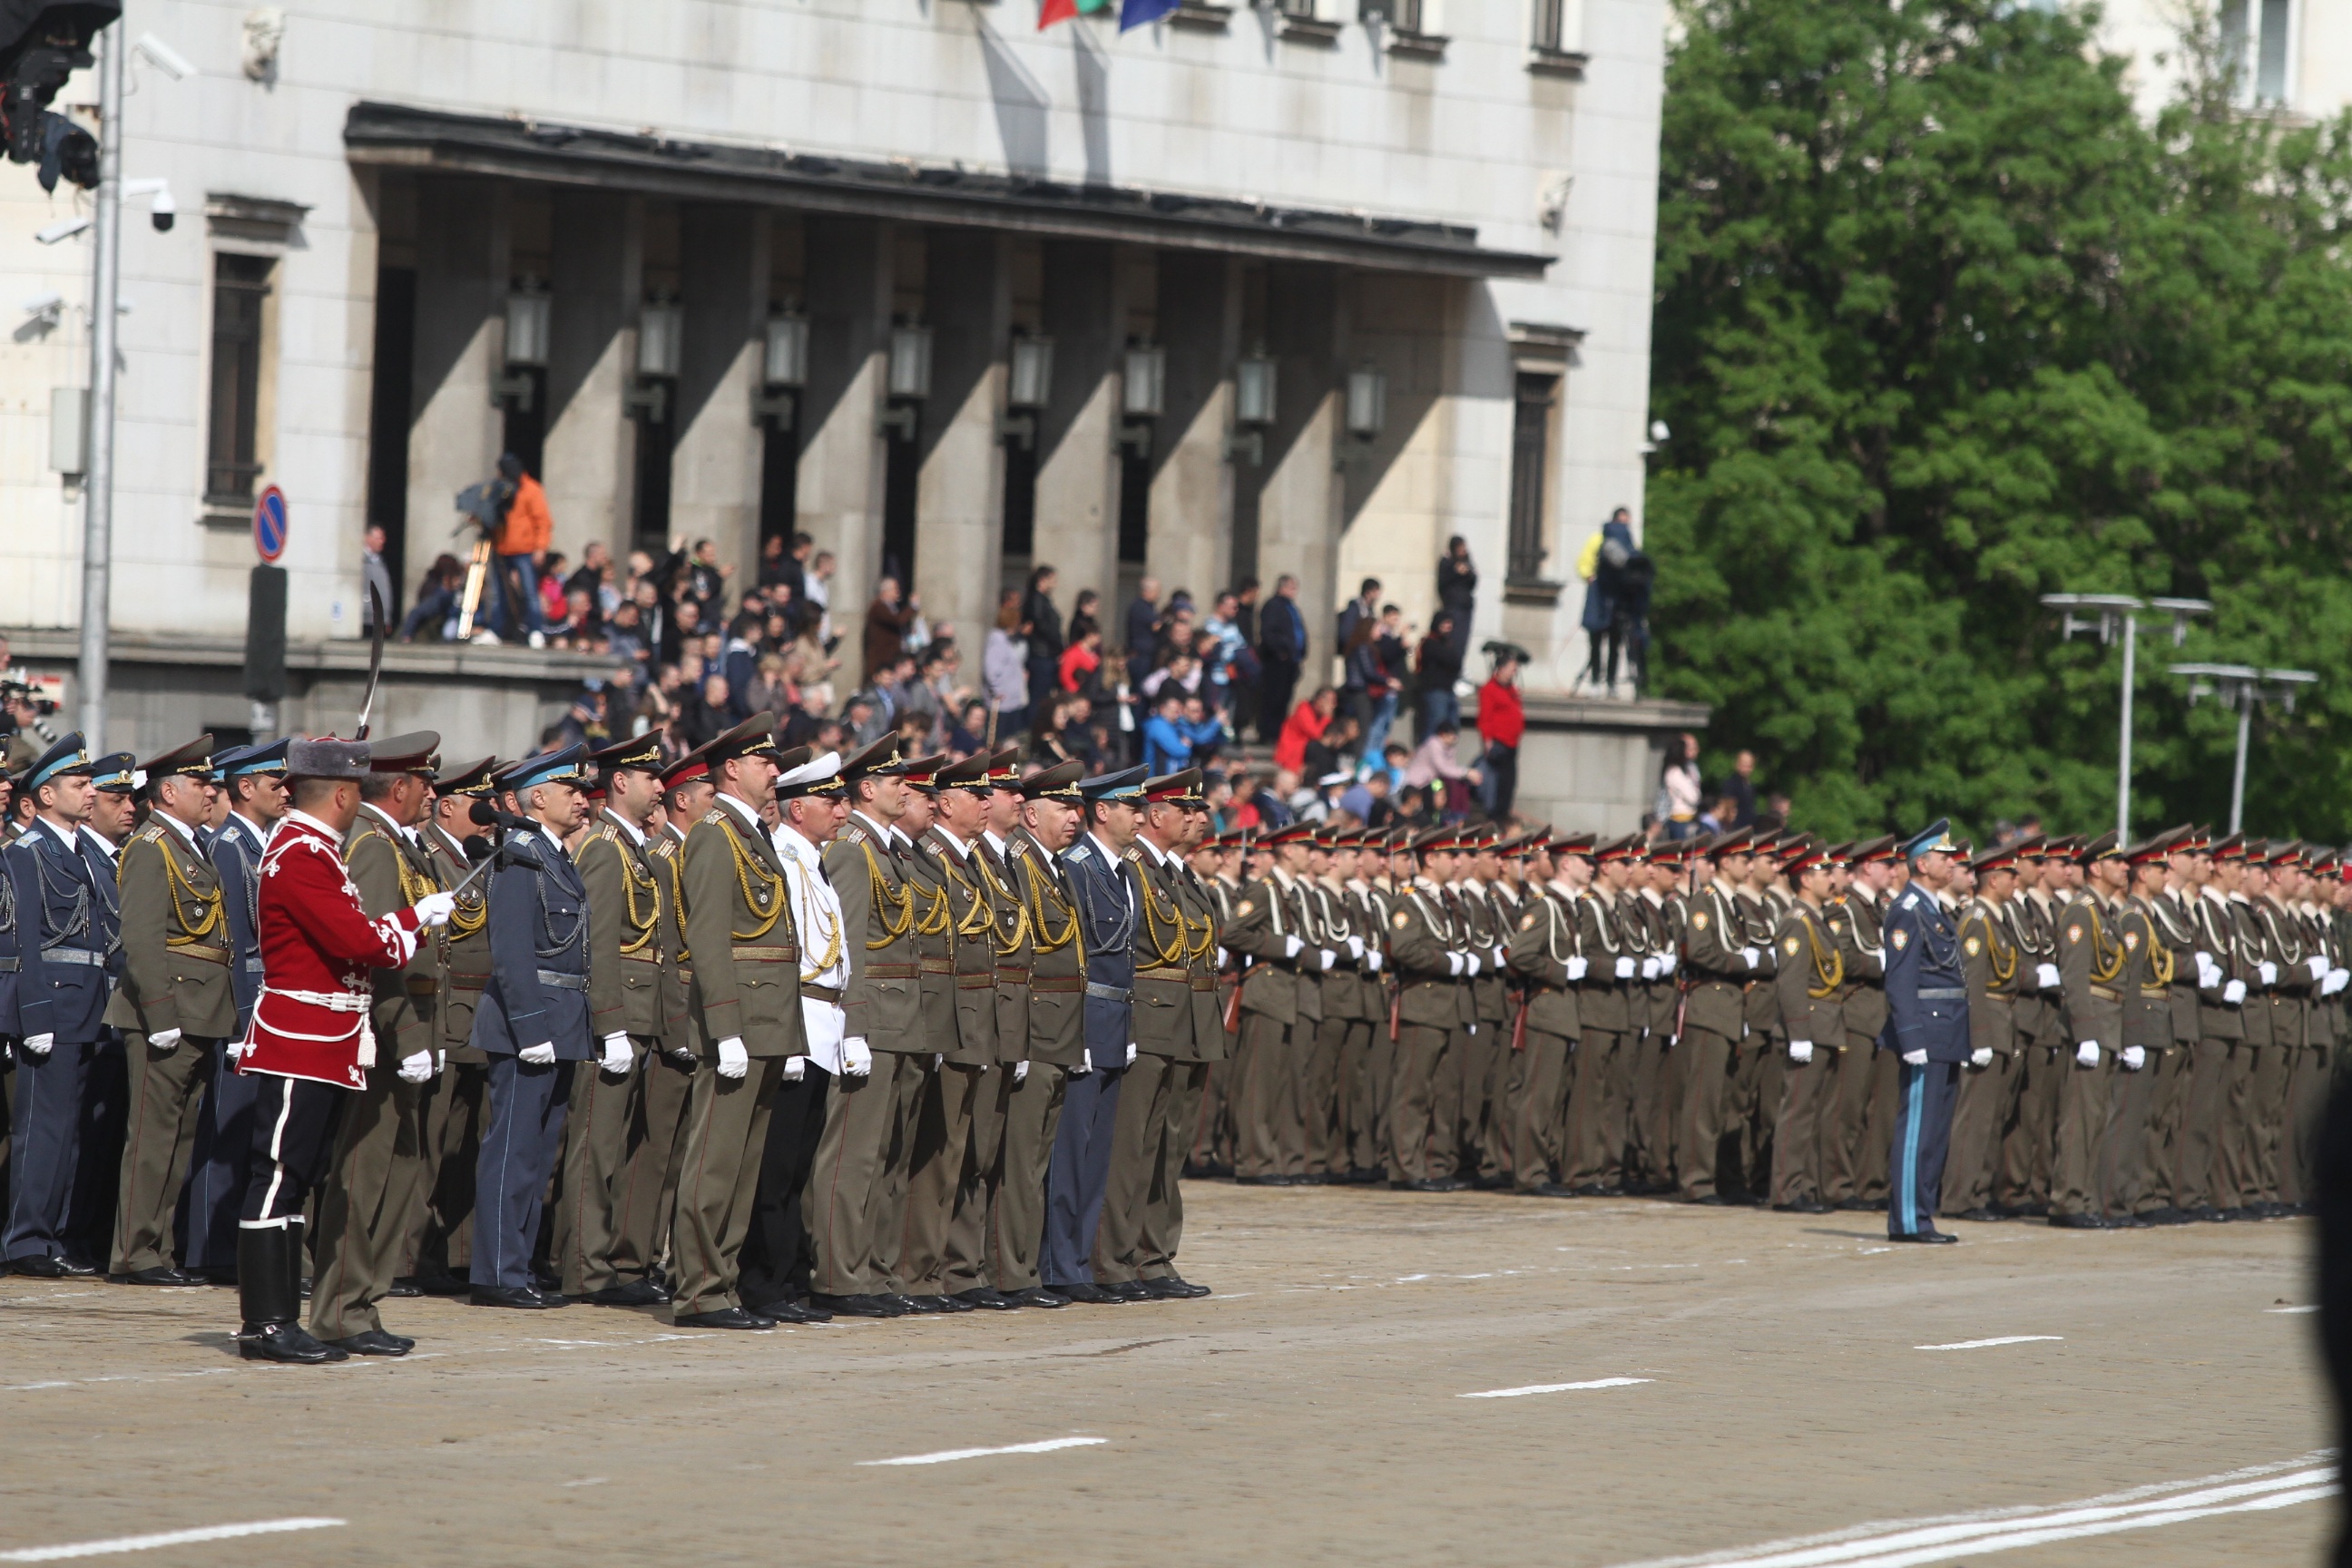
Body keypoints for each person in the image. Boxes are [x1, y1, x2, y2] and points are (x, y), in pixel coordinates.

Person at [231, 736, 453, 1363]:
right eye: (356, 790)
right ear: (342, 795)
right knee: (277, 1178)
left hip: (325, 1039)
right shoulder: (301, 853)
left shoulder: (318, 850)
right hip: (298, 1038)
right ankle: (266, 1323)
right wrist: (414, 919)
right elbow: (358, 941)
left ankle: (282, 1319)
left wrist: (407, 922)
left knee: (295, 1178)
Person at [307, 731, 446, 1357]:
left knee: (399, 1169)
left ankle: (363, 1303)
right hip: (384, 1034)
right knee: (363, 1174)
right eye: (425, 782)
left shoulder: (399, 846)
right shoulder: (371, 846)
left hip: (410, 1026)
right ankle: (340, 1308)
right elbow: (373, 951)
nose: (432, 794)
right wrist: (407, 1034)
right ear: (400, 786)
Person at [672, 718, 808, 1329]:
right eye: (764, 762)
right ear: (732, 769)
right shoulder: (714, 835)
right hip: (740, 1024)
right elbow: (707, 940)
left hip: (769, 1023)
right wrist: (725, 1028)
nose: (775, 772)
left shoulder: (750, 834)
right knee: (715, 1163)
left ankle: (721, 1285)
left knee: (744, 1167)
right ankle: (700, 1290)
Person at [553, 731, 692, 1312]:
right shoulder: (606, 849)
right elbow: (599, 946)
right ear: (620, 782)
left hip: (645, 1017)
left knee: (626, 1147)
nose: (660, 787)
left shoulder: (636, 850)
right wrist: (608, 1024)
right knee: (596, 1147)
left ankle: (610, 1260)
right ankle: (585, 1267)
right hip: (617, 1020)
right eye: (650, 777)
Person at [99, 737, 230, 1289]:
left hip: (201, 1008)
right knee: (152, 1139)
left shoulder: (190, 845)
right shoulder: (152, 846)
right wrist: (159, 1013)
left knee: (178, 1139)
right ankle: (134, 1252)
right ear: (169, 793)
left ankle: (159, 1248)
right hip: (168, 1009)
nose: (211, 793)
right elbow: (143, 938)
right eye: (200, 784)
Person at [468, 746, 594, 1308]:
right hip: (532, 1025)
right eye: (571, 790)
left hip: (560, 1021)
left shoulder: (553, 856)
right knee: (513, 1151)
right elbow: (512, 951)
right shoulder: (520, 856)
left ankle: (517, 1265)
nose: (582, 799)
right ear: (537, 797)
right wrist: (529, 1027)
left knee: (539, 1154)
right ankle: (497, 1272)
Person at [5, 735, 116, 1278]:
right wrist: (34, 1011)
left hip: (89, 1006)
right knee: (44, 1129)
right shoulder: (26, 852)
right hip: (52, 1005)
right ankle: (26, 1239)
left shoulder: (83, 852)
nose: (90, 792)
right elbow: (22, 939)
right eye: (80, 784)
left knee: (74, 1131)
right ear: (45, 796)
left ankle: (59, 1237)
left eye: (90, 783)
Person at [1044, 766, 1146, 1303]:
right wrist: (1078, 1031)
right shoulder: (1076, 868)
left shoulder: (1123, 872)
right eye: (1132, 808)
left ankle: (1080, 1262)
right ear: (1102, 811)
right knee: (1070, 1152)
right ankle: (1061, 1264)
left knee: (1096, 1155)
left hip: (1115, 1022)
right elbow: (1075, 956)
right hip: (1086, 1023)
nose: (1141, 818)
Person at [1881, 820, 1971, 1244]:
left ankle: (1922, 1215)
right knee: (1917, 1128)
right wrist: (1911, 1036)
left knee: (1934, 1130)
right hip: (1927, 1033)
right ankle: (1907, 1220)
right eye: (1944, 857)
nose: (1952, 864)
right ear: (1922, 863)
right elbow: (1899, 980)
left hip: (1947, 1031)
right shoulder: (1907, 910)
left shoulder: (1934, 908)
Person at [492, 454, 554, 646]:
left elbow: (543, 522)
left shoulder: (532, 490)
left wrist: (540, 548)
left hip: (524, 550)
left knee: (529, 592)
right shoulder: (499, 489)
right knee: (500, 593)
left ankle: (535, 630)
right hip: (502, 548)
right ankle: (496, 630)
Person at [1475, 646, 1525, 822]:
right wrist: (1488, 740)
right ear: (1501, 669)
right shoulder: (1489, 689)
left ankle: (1504, 816)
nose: (1513, 673)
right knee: (1497, 784)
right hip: (1499, 743)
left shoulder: (1511, 690)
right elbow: (1485, 717)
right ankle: (1494, 817)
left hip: (1512, 744)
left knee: (1509, 784)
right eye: (1511, 669)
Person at [1256, 575, 1307, 746]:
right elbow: (1268, 633)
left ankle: (1278, 732)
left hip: (1291, 661)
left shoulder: (1291, 607)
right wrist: (1280, 650)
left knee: (1284, 699)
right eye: (1291, 587)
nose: (1294, 591)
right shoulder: (1273, 606)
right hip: (1277, 661)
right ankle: (1268, 733)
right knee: (1273, 698)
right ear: (1282, 588)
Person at [984, 590, 1031, 738]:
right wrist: (997, 690)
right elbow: (991, 669)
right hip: (1002, 702)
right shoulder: (997, 640)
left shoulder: (1007, 640)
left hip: (1012, 700)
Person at [1023, 565, 1065, 716]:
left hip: (1047, 654)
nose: (1055, 584)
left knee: (1045, 697)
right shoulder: (1036, 600)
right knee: (1038, 697)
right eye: (1052, 580)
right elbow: (1042, 626)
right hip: (1041, 655)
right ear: (1042, 580)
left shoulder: (1044, 600)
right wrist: (1058, 645)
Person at [1415, 612, 1463, 739]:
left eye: (1450, 624)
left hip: (1448, 690)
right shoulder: (1429, 643)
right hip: (1434, 691)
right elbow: (1448, 659)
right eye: (1445, 623)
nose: (1448, 627)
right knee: (1434, 728)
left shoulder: (1449, 643)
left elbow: (1457, 662)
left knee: (1452, 728)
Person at [863, 577, 918, 685]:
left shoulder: (890, 608)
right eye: (895, 589)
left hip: (890, 657)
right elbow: (897, 621)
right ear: (885, 592)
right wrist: (912, 607)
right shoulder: (878, 607)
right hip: (881, 659)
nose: (898, 593)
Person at [1436, 537, 1475, 658]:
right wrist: (1455, 572)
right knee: (1453, 640)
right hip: (1452, 607)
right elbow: (1442, 583)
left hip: (1465, 608)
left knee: (1462, 641)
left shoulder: (1466, 561)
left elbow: (1473, 582)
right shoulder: (1446, 562)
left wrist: (1467, 572)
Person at [361, 524, 396, 630]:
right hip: (367, 617)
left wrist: (387, 618)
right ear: (368, 538)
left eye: (382, 538)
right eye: (378, 538)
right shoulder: (361, 561)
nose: (382, 541)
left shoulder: (379, 561)